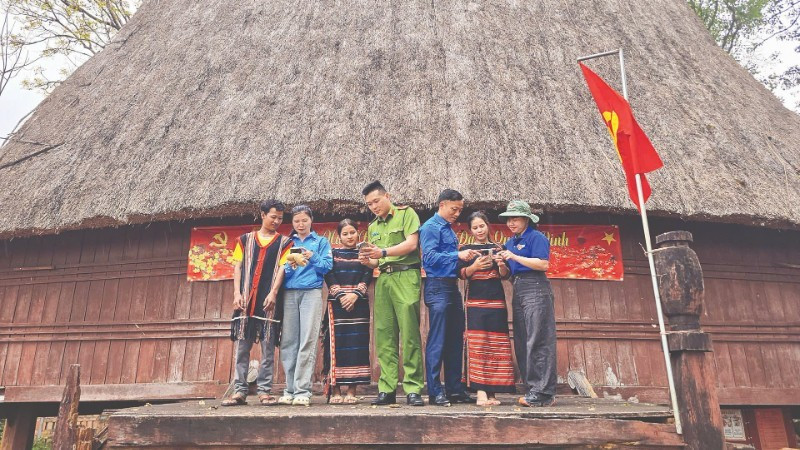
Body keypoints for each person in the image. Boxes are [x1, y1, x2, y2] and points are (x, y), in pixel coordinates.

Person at [359, 180, 425, 406]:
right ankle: (386, 389)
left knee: (409, 334)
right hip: (383, 278)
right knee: (384, 335)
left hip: (406, 275)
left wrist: (383, 252)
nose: (374, 207)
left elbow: (411, 244)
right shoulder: (373, 227)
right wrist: (367, 261)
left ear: (387, 196)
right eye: (369, 204)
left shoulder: (407, 214)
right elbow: (376, 260)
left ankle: (413, 388)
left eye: (376, 201)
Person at [223, 200, 293, 407]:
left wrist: (274, 293)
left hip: (268, 302)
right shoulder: (244, 240)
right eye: (273, 217)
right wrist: (236, 293)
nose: (277, 221)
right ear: (263, 215)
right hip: (245, 300)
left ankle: (264, 391)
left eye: (280, 218)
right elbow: (237, 267)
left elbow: (283, 268)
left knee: (268, 349)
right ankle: (239, 391)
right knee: (242, 349)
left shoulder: (285, 243)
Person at [418, 189, 479, 406]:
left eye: (460, 210)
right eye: (454, 209)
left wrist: (468, 257)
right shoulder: (430, 227)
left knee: (455, 339)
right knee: (438, 339)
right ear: (442, 205)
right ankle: (435, 391)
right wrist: (457, 254)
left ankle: (454, 389)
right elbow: (429, 258)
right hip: (437, 286)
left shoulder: (449, 230)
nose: (457, 214)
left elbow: (450, 258)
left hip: (452, 286)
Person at [497, 200, 557, 407]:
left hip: (536, 287)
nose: (511, 223)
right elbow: (506, 274)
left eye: (515, 219)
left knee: (538, 339)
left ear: (527, 219)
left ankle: (544, 392)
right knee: (522, 340)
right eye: (508, 219)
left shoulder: (536, 237)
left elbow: (543, 264)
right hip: (518, 287)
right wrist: (502, 264)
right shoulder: (509, 242)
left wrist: (514, 256)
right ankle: (532, 388)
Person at [459, 211, 516, 406]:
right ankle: (480, 391)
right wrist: (474, 266)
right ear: (470, 230)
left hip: (496, 303)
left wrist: (500, 265)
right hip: (475, 304)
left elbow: (505, 275)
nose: (479, 230)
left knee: (496, 344)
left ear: (487, 225)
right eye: (475, 228)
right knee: (478, 344)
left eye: (481, 226)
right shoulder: (466, 250)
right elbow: (461, 274)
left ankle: (492, 392)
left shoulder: (499, 248)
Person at [279, 205, 333, 406]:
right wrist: (290, 266)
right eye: (296, 221)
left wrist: (312, 256)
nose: (300, 224)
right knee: (288, 341)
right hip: (289, 293)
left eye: (304, 220)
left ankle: (303, 390)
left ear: (311, 220)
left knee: (307, 341)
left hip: (312, 292)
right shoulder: (287, 242)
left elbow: (327, 267)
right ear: (292, 223)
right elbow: (281, 270)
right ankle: (289, 389)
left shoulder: (321, 242)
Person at [322, 219, 374, 404]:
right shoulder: (332, 254)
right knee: (335, 347)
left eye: (352, 232)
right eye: (345, 234)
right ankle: (335, 391)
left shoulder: (364, 254)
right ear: (339, 236)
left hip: (359, 305)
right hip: (336, 305)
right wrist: (342, 296)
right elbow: (329, 275)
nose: (349, 236)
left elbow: (367, 275)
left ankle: (352, 391)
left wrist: (355, 295)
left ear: (358, 233)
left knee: (356, 347)